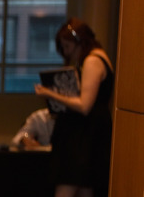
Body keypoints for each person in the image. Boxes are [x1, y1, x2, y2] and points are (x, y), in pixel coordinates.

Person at [34, 18, 114, 197]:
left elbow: (84, 105)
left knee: (68, 185)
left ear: (78, 43)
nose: (65, 53)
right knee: (85, 188)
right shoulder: (97, 57)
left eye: (67, 47)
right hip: (88, 134)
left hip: (83, 138)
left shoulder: (92, 61)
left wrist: (51, 93)